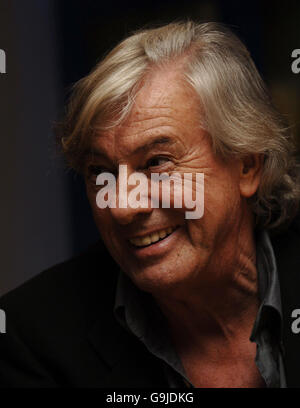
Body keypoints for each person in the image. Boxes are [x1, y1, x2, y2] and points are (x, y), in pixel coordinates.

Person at [1, 21, 300, 388]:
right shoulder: (34, 336)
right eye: (100, 172)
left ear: (247, 165)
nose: (121, 207)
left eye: (157, 162)